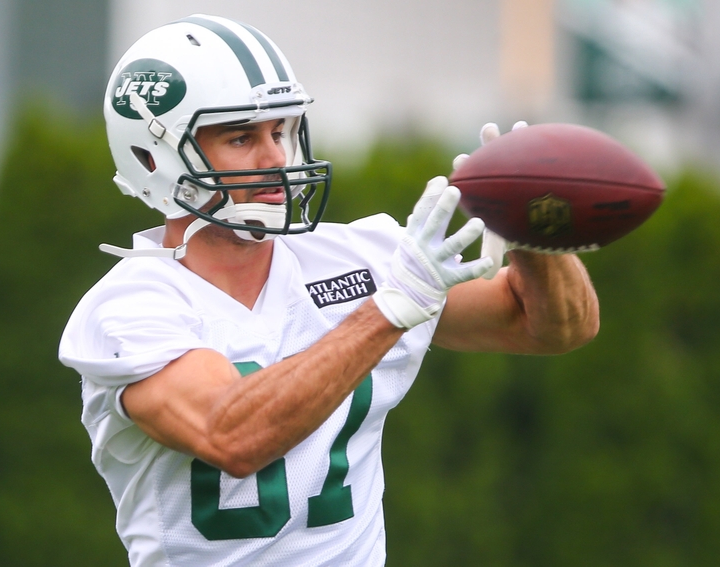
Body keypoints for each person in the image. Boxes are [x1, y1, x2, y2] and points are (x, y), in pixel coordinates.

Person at [59, 14, 599, 567]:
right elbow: (232, 435)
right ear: (154, 158)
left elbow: (553, 327)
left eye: (280, 132)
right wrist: (389, 310)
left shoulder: (364, 256)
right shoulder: (128, 307)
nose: (275, 158)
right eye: (241, 137)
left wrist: (534, 231)